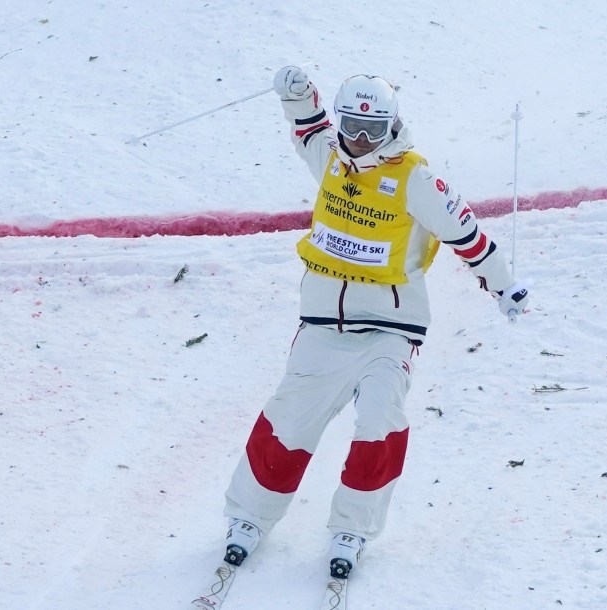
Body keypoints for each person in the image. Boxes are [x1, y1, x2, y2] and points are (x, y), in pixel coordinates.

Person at [219, 65, 530, 581]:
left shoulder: (416, 177)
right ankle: (249, 518)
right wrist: (298, 96)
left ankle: (353, 527)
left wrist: (504, 285)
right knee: (291, 414)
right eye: (353, 130)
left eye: (374, 132)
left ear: (393, 126)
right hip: (324, 322)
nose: (361, 142)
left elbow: (467, 233)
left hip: (391, 326)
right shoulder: (331, 159)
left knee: (381, 418)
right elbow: (308, 129)